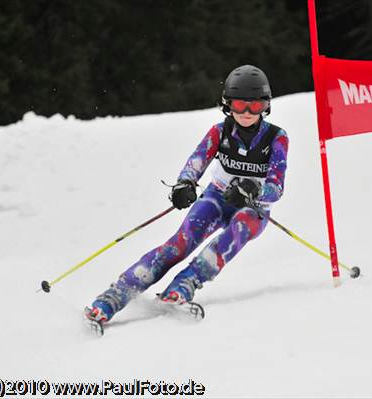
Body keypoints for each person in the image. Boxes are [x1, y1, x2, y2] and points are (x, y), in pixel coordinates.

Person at [85, 65, 288, 324]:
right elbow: (197, 160)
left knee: (237, 230)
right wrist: (185, 184)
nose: (247, 113)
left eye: (255, 106)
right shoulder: (219, 131)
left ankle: (184, 285)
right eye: (239, 105)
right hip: (218, 197)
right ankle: (113, 297)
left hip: (253, 208)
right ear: (228, 105)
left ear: (266, 106)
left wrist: (254, 190)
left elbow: (277, 187)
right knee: (180, 243)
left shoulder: (276, 137)